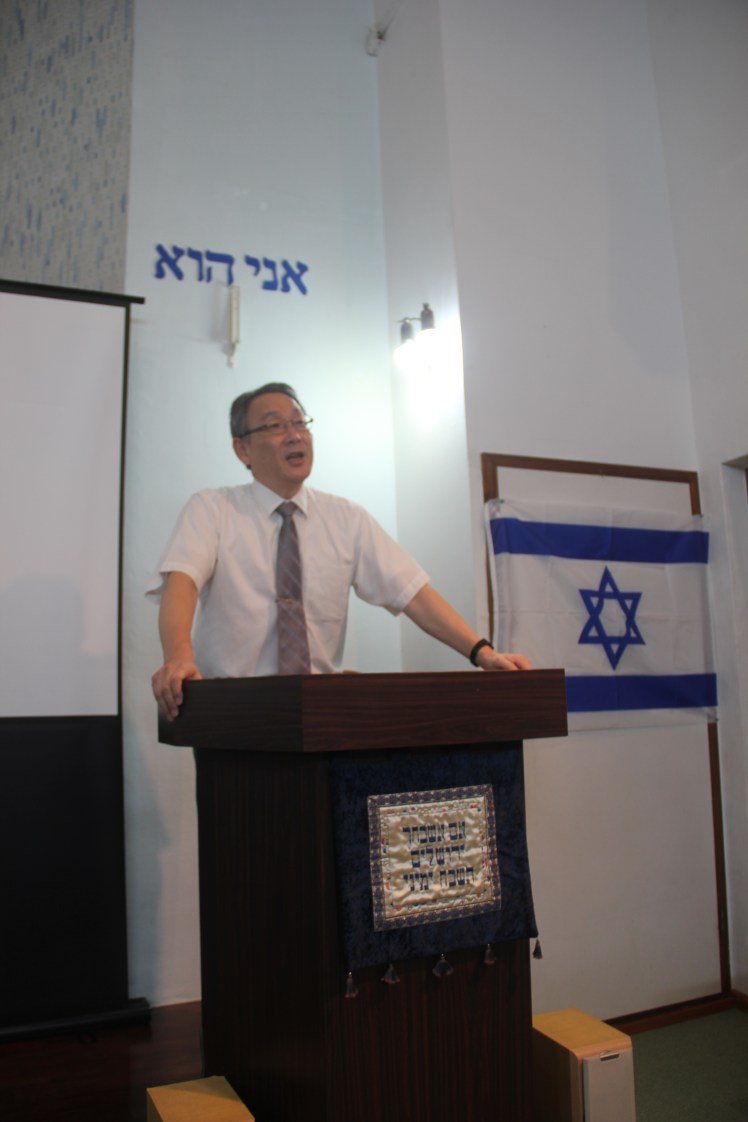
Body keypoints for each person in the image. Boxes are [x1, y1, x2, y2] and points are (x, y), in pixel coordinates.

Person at [149, 383, 531, 719]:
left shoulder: (346, 518)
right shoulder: (213, 508)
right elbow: (182, 582)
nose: (294, 435)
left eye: (300, 422)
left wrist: (483, 653)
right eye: (275, 426)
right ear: (242, 449)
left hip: (321, 713)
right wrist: (179, 658)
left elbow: (413, 593)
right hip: (232, 711)